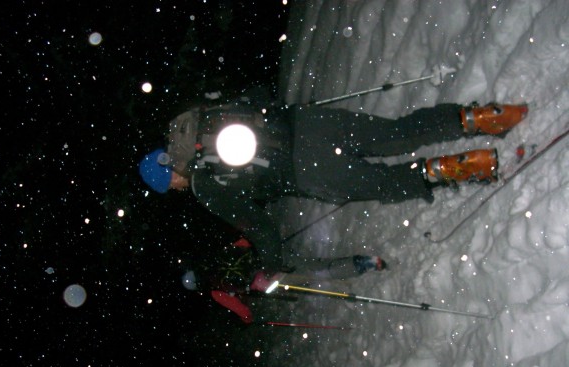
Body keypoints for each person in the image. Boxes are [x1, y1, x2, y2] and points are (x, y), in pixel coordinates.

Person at [139, 99, 528, 279]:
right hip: (310, 123)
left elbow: (258, 226)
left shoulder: (205, 186)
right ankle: (482, 117)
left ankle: (463, 166)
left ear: (170, 176)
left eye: (169, 186)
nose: (175, 189)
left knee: (387, 182)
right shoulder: (200, 120)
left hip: (308, 171)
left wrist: (273, 260)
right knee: (395, 134)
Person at [179, 235, 385, 323]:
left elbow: (243, 311)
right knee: (313, 265)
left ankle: (356, 267)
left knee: (313, 276)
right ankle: (355, 264)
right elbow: (244, 243)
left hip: (269, 280)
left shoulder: (216, 291)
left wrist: (247, 318)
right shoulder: (218, 255)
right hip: (271, 259)